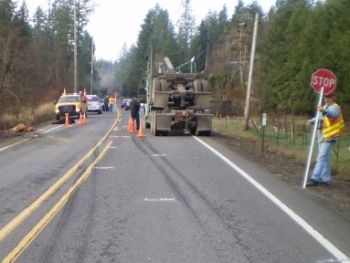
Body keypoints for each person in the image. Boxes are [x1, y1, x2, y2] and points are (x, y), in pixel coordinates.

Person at [307, 93, 345, 187]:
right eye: (325, 97)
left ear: (333, 98)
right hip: (323, 136)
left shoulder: (335, 107)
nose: (326, 99)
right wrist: (312, 120)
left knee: (321, 157)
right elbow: (320, 117)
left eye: (329, 97)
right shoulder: (325, 107)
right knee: (325, 158)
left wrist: (323, 110)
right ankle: (326, 179)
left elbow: (333, 114)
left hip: (331, 136)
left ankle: (315, 178)